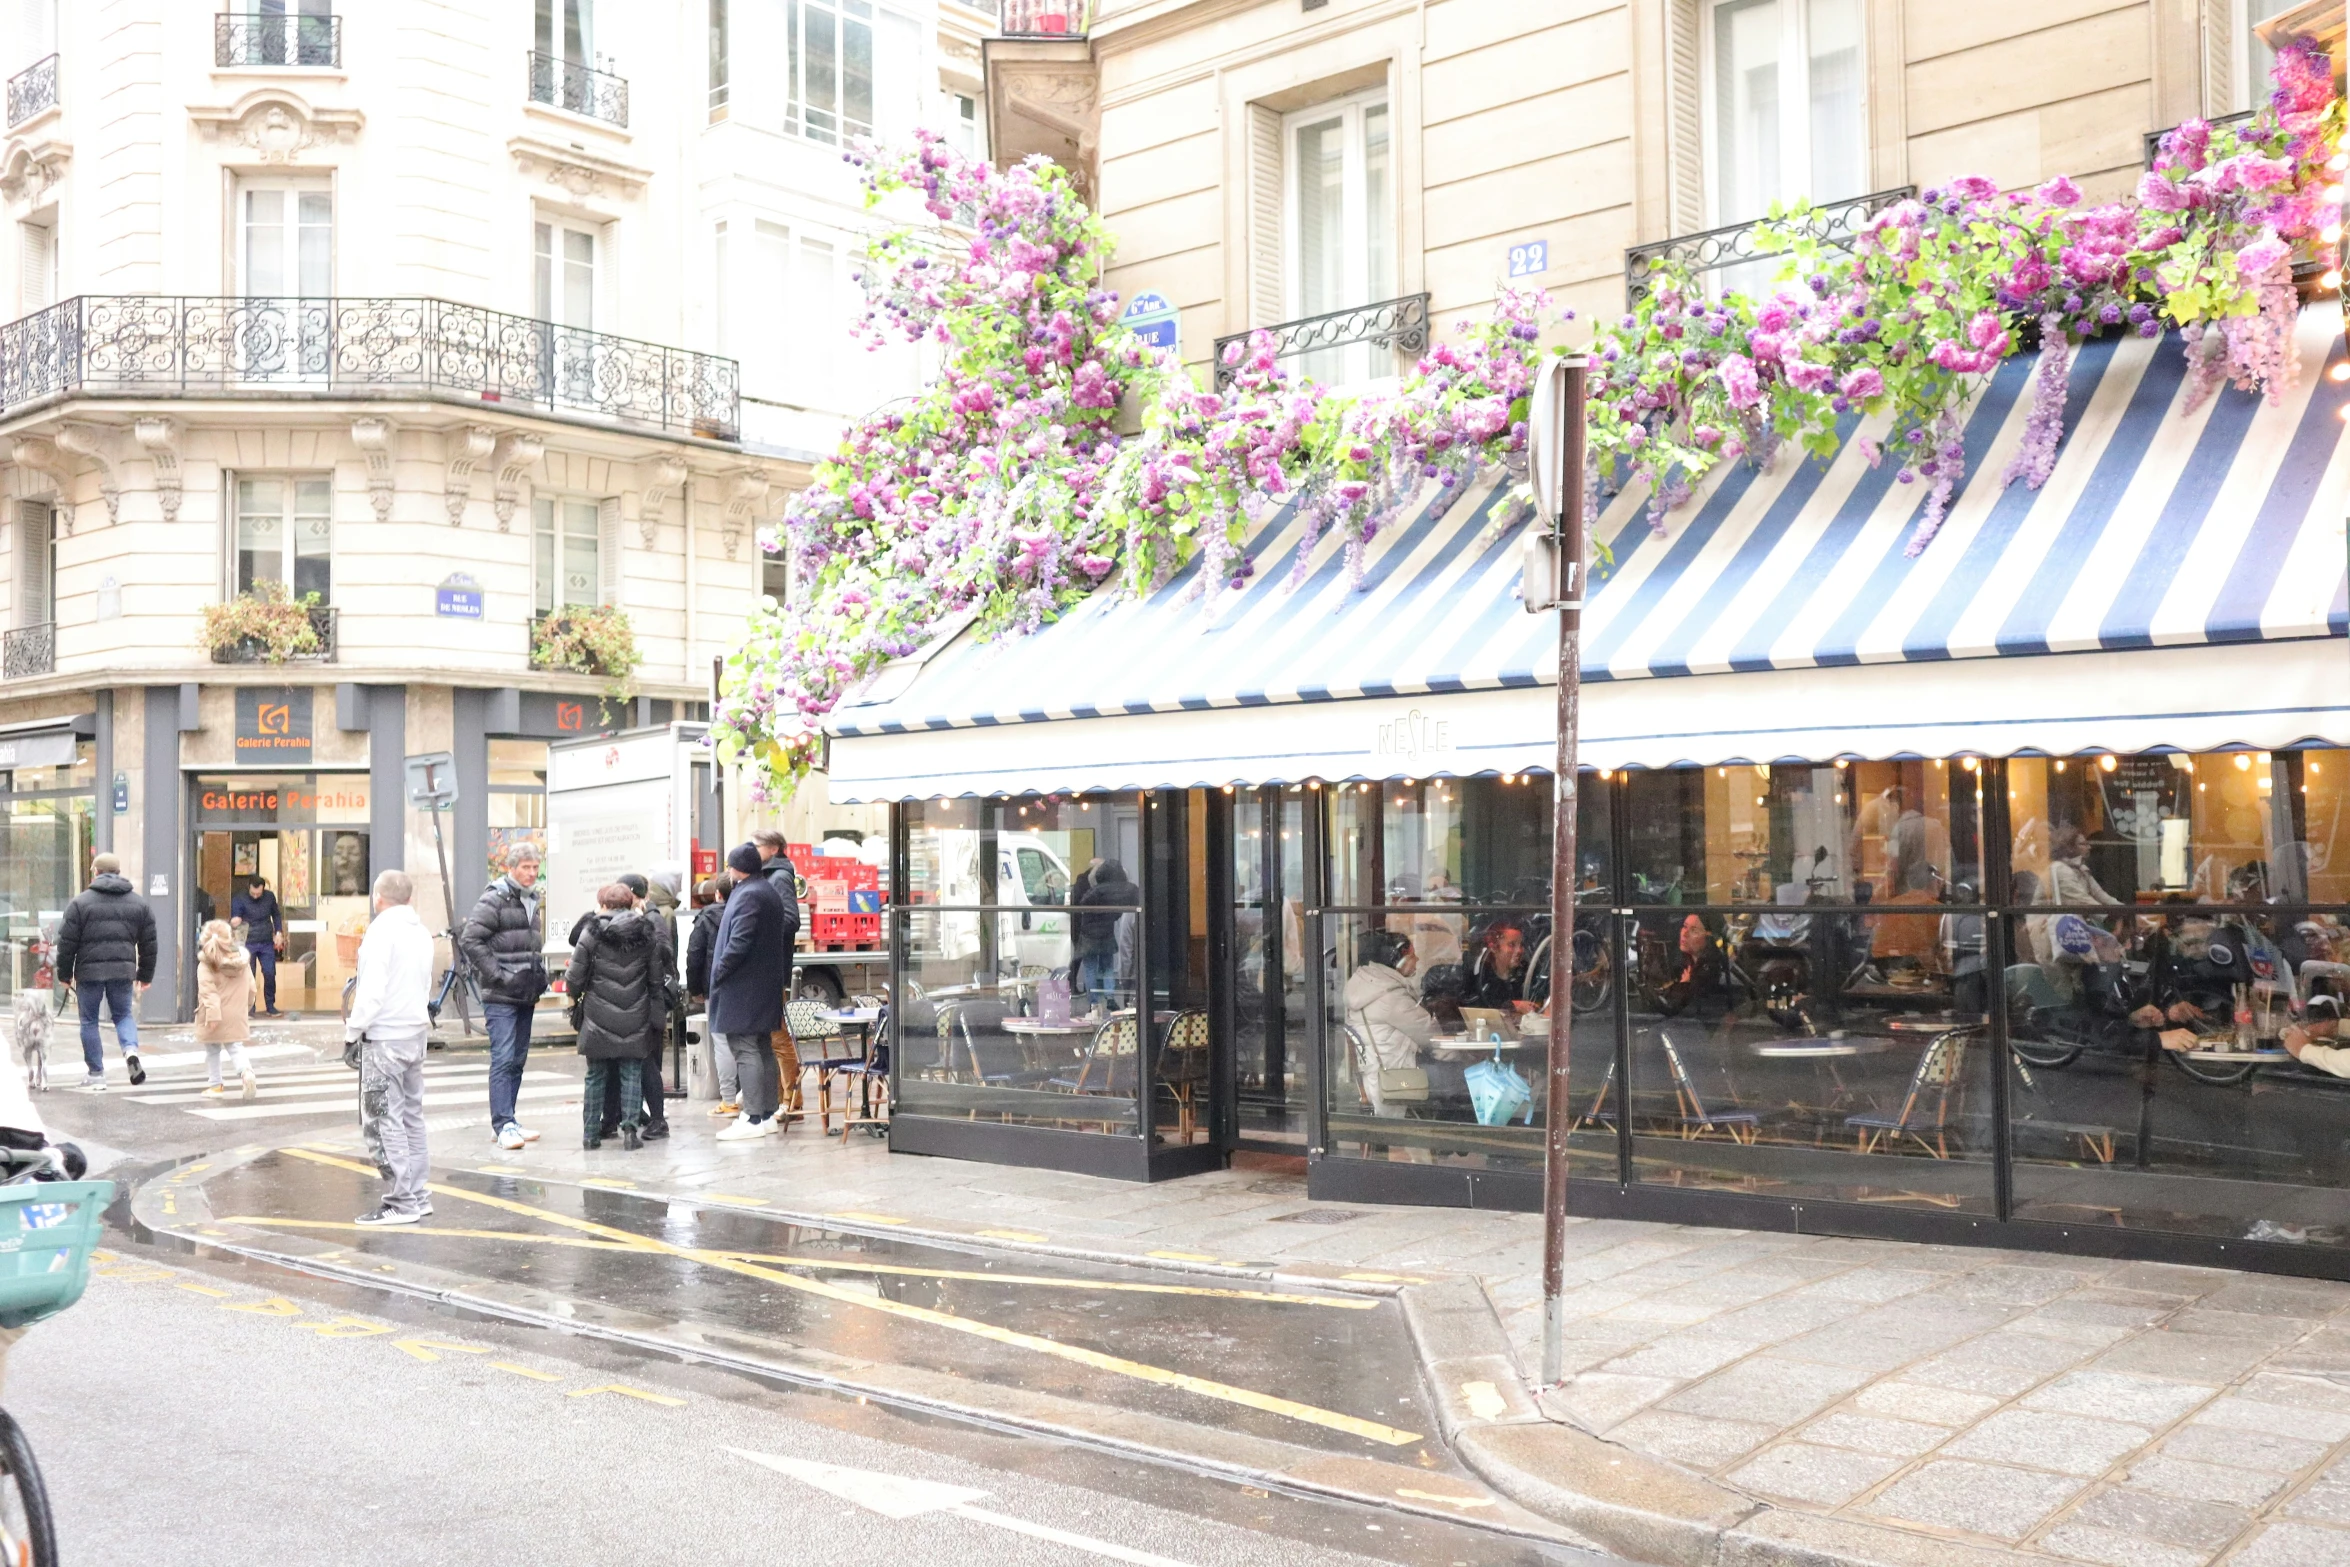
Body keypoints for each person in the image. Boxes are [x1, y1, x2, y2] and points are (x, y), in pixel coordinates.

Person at [346, 869, 435, 1226]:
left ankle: (401, 1201)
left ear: (377, 898)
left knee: (383, 1119)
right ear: (409, 899)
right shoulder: (421, 932)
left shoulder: (381, 931)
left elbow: (370, 990)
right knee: (412, 1116)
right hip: (414, 1033)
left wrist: (353, 1031)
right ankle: (419, 1193)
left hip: (385, 1037)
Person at [459, 842, 550, 1152]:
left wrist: (538, 974)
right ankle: (502, 1123)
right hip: (501, 994)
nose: (532, 872)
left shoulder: (531, 900)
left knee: (518, 1059)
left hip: (525, 990)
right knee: (503, 1057)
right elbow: (471, 939)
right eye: (526, 867)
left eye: (535, 867)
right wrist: (497, 975)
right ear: (511, 868)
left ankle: (508, 1120)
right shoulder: (495, 898)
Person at [567, 883, 665, 1151]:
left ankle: (590, 1134)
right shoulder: (647, 933)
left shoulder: (591, 933)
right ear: (631, 902)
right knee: (631, 1071)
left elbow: (574, 978)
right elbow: (656, 980)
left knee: (595, 1074)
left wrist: (577, 996)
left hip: (598, 1015)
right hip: (636, 1014)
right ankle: (631, 1133)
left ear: (603, 904)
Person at [55, 852, 158, 1090]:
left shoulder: (79, 903)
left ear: (96, 872)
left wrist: (64, 974)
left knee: (89, 1021)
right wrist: (145, 975)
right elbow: (149, 943)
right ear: (118, 872)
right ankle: (130, 1050)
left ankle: (96, 1073)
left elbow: (67, 942)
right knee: (123, 1015)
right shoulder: (139, 904)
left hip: (88, 973)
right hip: (122, 970)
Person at [709, 843, 791, 1141]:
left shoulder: (748, 894)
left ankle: (752, 1117)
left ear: (736, 868)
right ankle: (767, 1113)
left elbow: (739, 941)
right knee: (762, 1046)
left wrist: (719, 972)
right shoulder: (765, 890)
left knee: (744, 1048)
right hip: (763, 984)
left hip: (743, 987)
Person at [750, 831, 805, 1115]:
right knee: (773, 1036)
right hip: (769, 966)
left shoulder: (779, 877)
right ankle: (781, 1098)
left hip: (774, 966)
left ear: (773, 849)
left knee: (779, 1036)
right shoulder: (769, 875)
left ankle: (791, 1100)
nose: (753, 849)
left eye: (757, 845)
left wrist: (761, 932)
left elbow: (790, 920)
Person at [687, 874, 738, 1116]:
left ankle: (729, 1099)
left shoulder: (706, 917)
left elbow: (694, 955)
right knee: (749, 1043)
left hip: (715, 986)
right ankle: (749, 1095)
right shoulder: (745, 913)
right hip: (746, 985)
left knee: (722, 1041)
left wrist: (695, 989)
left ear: (718, 894)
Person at [194, 919, 258, 1101]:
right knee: (235, 1046)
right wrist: (246, 1007)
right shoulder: (242, 962)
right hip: (236, 1012)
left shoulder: (206, 964)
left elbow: (208, 992)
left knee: (213, 1049)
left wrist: (213, 1016)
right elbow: (252, 988)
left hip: (214, 1015)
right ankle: (246, 1073)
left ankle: (215, 1084)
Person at [1075, 859, 1138, 1008]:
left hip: (1089, 933)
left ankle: (1094, 1003)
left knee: (1090, 968)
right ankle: (1110, 997)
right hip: (1107, 932)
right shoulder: (1129, 888)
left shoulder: (1097, 890)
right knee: (1108, 967)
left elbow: (1082, 903)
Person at [231, 873, 288, 1018]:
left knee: (270, 973)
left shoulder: (269, 897)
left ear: (263, 889)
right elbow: (234, 917)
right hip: (248, 943)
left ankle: (270, 1006)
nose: (256, 895)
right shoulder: (240, 898)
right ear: (249, 887)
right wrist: (235, 920)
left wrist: (279, 932)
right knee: (248, 977)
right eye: (253, 893)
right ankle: (249, 1008)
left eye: (259, 893)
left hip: (266, 942)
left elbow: (276, 915)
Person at [1462, 919, 1534, 1014]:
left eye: (1521, 945)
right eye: (1512, 945)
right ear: (1494, 947)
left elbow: (1539, 1003)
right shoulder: (1478, 978)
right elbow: (1473, 1007)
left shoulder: (1528, 974)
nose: (1519, 950)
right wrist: (1512, 1006)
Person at [2049, 824, 2119, 907]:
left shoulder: (2082, 869)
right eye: (2083, 844)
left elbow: (2101, 895)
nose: (2089, 847)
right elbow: (2083, 900)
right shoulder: (2059, 868)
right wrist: (2110, 916)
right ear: (2070, 847)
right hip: (2046, 919)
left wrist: (2125, 910)